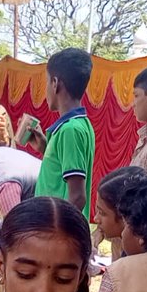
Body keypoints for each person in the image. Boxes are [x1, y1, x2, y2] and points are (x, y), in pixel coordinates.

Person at [32, 48, 95, 217]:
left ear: (55, 82)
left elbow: (77, 197)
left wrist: (57, 234)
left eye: (46, 81)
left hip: (57, 234)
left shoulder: (71, 130)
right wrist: (45, 148)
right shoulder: (78, 124)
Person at [92, 165, 145, 263]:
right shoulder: (130, 249)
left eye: (102, 213)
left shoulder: (137, 261)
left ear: (124, 217)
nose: (96, 219)